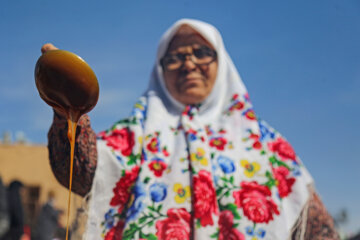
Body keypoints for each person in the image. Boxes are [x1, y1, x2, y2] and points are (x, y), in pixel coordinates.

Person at [44, 19, 339, 239]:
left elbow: (315, 225)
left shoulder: (264, 144)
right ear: (160, 70)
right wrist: (67, 107)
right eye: (175, 57)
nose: (189, 63)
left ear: (221, 63)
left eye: (201, 52)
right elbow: (81, 175)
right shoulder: (136, 134)